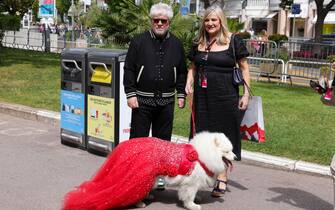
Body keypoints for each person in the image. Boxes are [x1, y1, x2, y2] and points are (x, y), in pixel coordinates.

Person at [185, 5, 250, 197]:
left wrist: (245, 94)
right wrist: (189, 82)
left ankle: (222, 175)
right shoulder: (198, 41)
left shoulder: (233, 41)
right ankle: (201, 175)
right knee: (202, 135)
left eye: (214, 20)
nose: (210, 23)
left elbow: (244, 67)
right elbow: (193, 67)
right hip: (202, 97)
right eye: (207, 20)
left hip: (226, 96)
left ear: (221, 21)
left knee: (224, 134)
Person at [123, 2, 187, 191]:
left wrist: (181, 93)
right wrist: (130, 93)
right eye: (156, 20)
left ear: (169, 22)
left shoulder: (176, 43)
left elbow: (182, 71)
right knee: (138, 141)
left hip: (167, 101)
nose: (159, 23)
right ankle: (134, 177)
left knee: (163, 143)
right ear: (151, 21)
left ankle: (159, 177)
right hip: (141, 101)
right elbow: (129, 69)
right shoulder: (138, 41)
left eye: (163, 21)